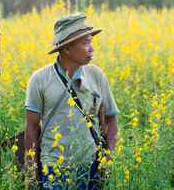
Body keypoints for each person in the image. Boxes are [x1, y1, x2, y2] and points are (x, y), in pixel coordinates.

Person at [24, 12, 119, 189]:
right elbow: (30, 128)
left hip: (92, 166)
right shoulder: (39, 79)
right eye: (86, 43)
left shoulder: (97, 75)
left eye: (91, 42)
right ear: (66, 48)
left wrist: (109, 156)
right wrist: (32, 175)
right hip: (54, 168)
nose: (92, 48)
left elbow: (112, 119)